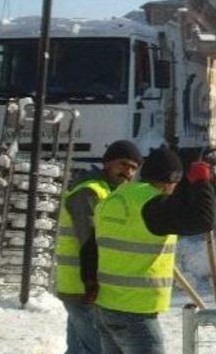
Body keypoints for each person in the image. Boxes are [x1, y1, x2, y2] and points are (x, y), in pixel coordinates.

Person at [93, 146, 216, 354]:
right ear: (171, 182)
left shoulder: (114, 199)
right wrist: (201, 182)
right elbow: (204, 219)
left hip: (106, 308)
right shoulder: (151, 205)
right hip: (135, 315)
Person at [56, 140, 142, 354]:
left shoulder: (109, 193)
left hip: (83, 286)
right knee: (96, 348)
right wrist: (91, 282)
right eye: (123, 165)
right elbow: (88, 241)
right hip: (82, 286)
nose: (128, 172)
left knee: (79, 349)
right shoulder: (88, 192)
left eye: (133, 168)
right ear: (107, 164)